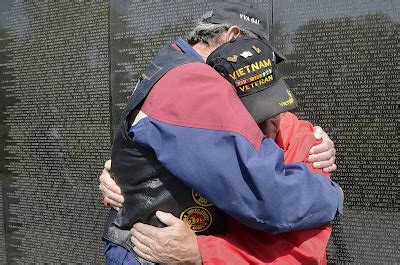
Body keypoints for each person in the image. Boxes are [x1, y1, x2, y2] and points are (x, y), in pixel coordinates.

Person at [101, 3, 343, 264]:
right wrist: (333, 196)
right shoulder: (194, 81)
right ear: (233, 36)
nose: (259, 67)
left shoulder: (169, 64)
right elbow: (266, 196)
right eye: (256, 53)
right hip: (150, 252)